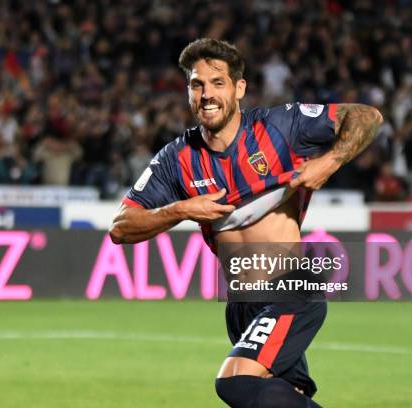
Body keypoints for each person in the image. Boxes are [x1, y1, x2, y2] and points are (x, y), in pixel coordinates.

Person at [109, 38, 382, 408]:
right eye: (196, 84)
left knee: (234, 383)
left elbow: (366, 116)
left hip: (291, 288)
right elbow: (121, 227)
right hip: (241, 305)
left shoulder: (280, 127)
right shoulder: (176, 159)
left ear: (239, 88)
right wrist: (182, 209)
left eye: (217, 83)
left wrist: (329, 162)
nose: (206, 94)